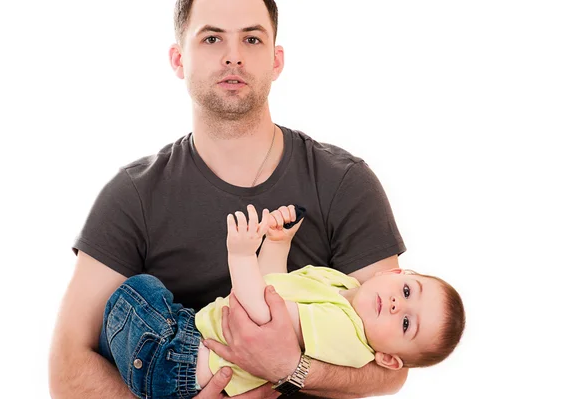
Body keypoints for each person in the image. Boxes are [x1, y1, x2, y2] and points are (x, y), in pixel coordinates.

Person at [49, 0, 413, 398]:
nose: (233, 57)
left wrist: (290, 368)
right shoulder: (132, 196)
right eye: (211, 38)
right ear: (178, 59)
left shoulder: (345, 183)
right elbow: (68, 369)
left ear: (276, 60)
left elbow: (390, 368)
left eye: (252, 39)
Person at [98, 205, 465, 399]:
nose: (399, 306)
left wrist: (240, 255)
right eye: (406, 292)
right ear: (395, 275)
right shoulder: (342, 284)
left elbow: (259, 315)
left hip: (180, 361)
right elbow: (275, 286)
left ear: (387, 358)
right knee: (130, 305)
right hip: (185, 337)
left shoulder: (347, 336)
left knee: (136, 292)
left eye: (406, 324)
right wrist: (277, 244)